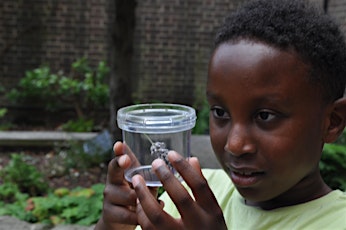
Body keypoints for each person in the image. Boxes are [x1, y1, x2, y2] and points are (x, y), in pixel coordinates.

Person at [95, 0, 346, 229]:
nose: (235, 145)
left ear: (332, 122)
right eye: (220, 112)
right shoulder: (191, 195)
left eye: (265, 116)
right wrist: (109, 227)